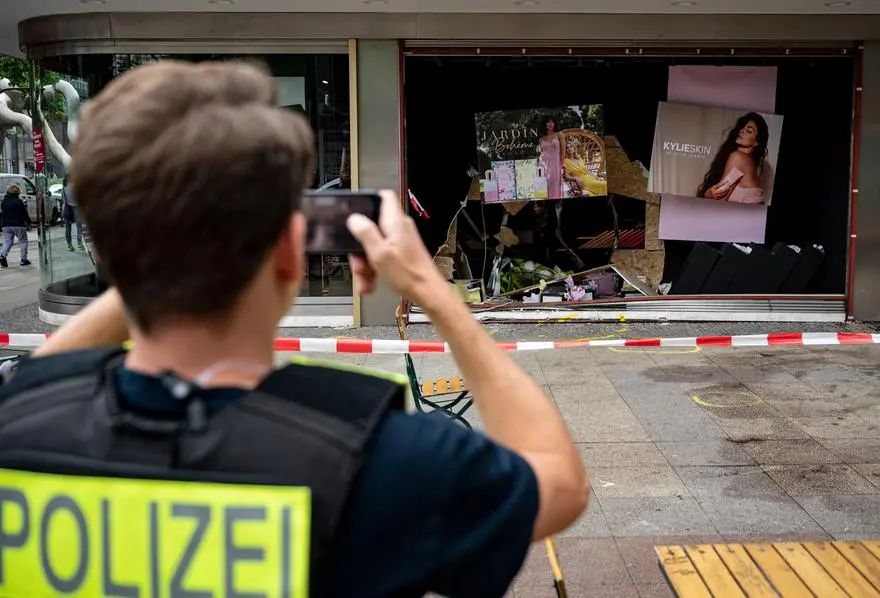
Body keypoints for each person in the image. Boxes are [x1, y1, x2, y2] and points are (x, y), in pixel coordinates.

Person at [0, 61, 588, 597]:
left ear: (105, 249)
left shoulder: (22, 421)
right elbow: (561, 484)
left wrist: (154, 259)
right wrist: (433, 293)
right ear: (290, 252)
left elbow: (39, 377)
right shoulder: (382, 461)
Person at [697, 112, 770, 205]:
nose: (742, 131)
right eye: (743, 127)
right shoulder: (750, 162)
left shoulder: (738, 157)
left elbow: (719, 198)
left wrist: (707, 194)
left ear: (756, 142)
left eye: (749, 131)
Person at [0, 183, 32, 268]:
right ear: (17, 192)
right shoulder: (19, 201)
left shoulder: (4, 202)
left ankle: (2, 255)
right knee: (23, 241)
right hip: (18, 224)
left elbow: (2, 213)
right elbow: (23, 213)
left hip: (6, 225)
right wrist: (28, 221)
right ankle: (23, 259)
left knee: (7, 242)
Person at [538, 114, 565, 200]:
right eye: (548, 122)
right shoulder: (541, 138)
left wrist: (560, 166)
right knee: (543, 187)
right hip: (543, 165)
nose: (550, 124)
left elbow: (563, 152)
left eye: (552, 121)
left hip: (555, 165)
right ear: (544, 124)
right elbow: (542, 153)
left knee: (554, 187)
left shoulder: (559, 134)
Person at [62, 174, 85, 251]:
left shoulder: (64, 188)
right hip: (77, 209)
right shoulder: (75, 187)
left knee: (68, 229)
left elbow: (63, 200)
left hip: (67, 209)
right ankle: (79, 242)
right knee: (79, 227)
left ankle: (69, 245)